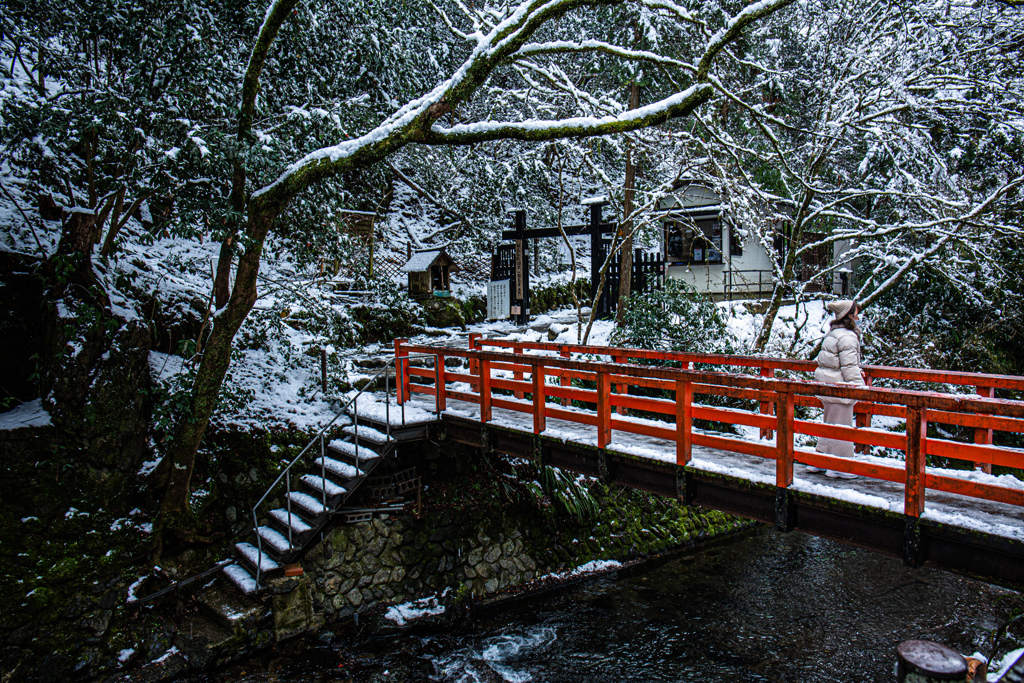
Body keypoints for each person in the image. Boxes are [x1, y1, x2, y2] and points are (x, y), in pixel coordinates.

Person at [810, 300, 865, 478]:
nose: (858, 317)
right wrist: (860, 387)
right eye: (856, 313)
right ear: (849, 316)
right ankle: (841, 466)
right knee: (842, 425)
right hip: (841, 387)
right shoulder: (848, 337)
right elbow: (849, 367)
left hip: (827, 385)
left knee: (830, 424)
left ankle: (821, 460)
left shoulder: (833, 334)